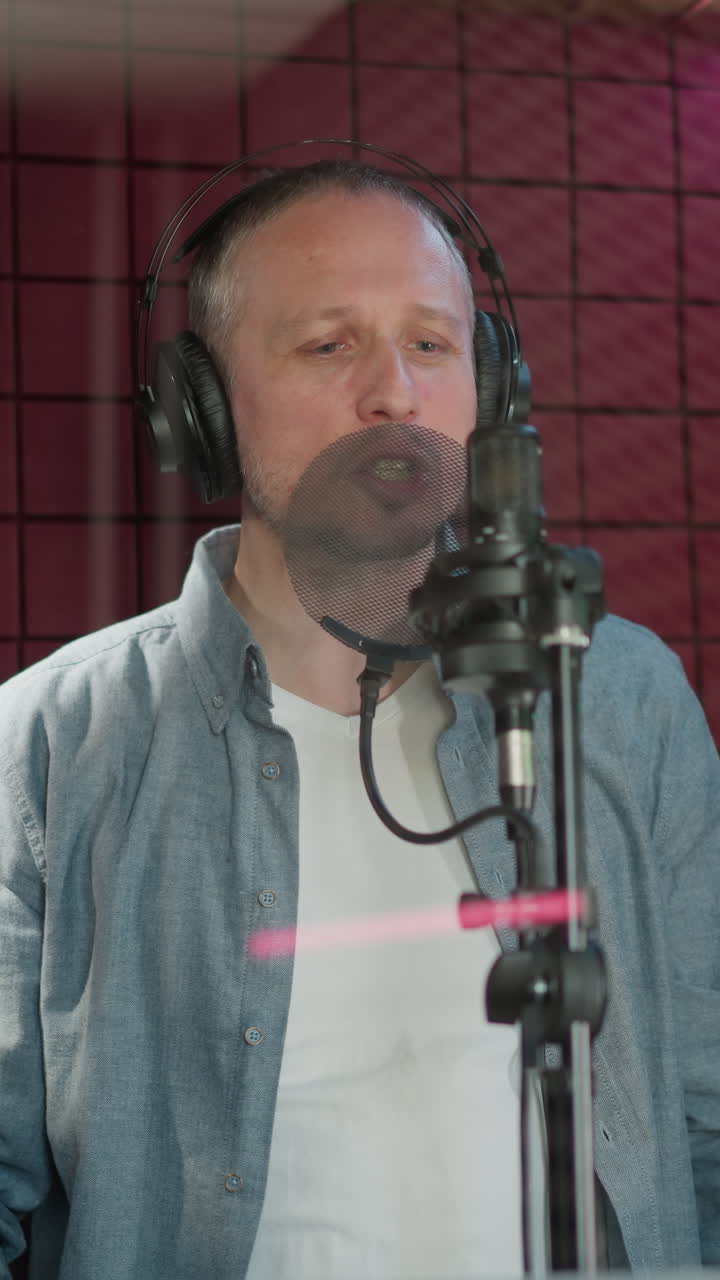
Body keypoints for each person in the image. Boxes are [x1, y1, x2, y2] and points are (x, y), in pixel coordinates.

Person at [0, 158, 718, 1280]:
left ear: (490, 386)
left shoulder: (617, 696)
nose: (394, 393)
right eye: (328, 345)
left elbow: (708, 1122)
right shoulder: (50, 744)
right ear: (201, 411)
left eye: (430, 343)